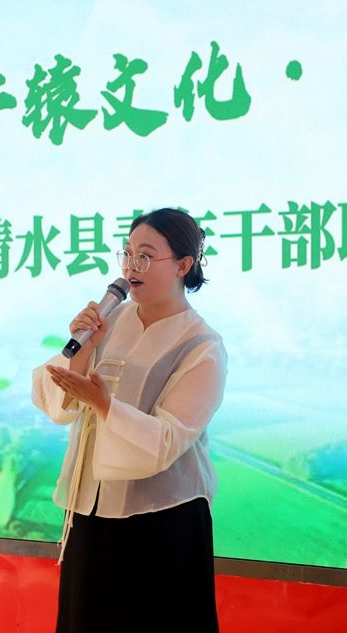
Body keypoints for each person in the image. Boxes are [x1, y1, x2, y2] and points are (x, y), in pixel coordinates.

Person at [31, 208, 227, 633]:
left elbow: (168, 439)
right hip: (91, 511)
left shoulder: (202, 345)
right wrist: (82, 350)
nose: (130, 267)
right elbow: (58, 400)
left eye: (146, 256)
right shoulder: (109, 320)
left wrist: (105, 406)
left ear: (183, 265)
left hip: (162, 522)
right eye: (127, 253)